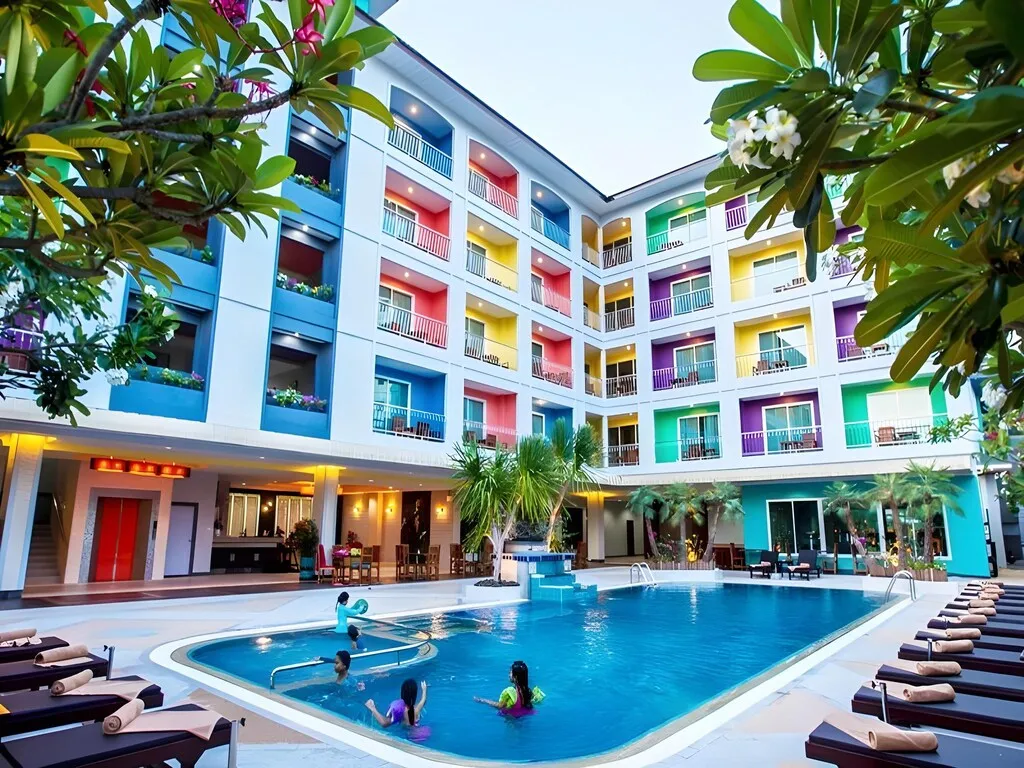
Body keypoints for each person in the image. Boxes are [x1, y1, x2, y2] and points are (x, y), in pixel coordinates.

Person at [474, 661, 544, 717]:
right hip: (525, 714)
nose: (508, 674)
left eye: (510, 672)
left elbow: (499, 706)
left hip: (512, 718)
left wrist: (483, 700)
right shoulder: (528, 690)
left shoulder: (509, 692)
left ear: (515, 677)